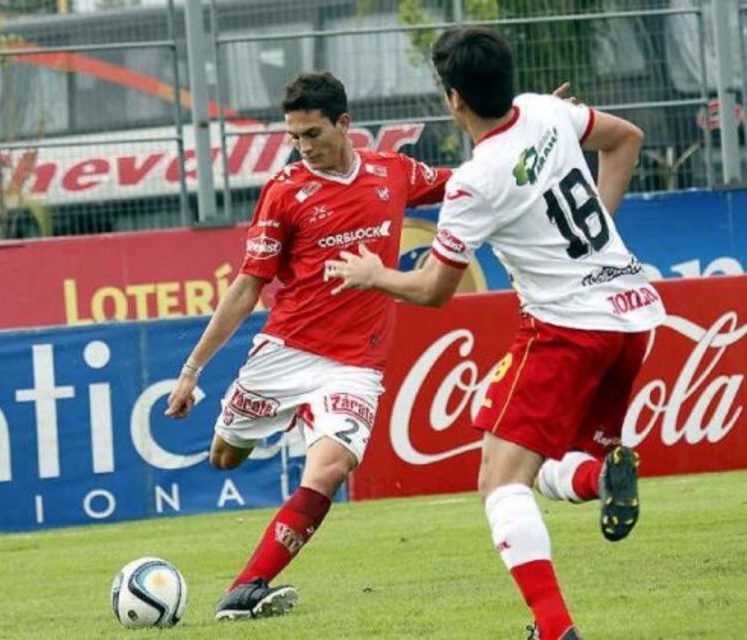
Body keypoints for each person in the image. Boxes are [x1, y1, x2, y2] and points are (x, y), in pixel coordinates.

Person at [324, 27, 664, 640]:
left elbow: (433, 290)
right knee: (549, 466)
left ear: (453, 99)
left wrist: (374, 274)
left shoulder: (474, 182)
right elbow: (626, 140)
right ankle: (598, 475)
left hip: (567, 328)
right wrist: (598, 243)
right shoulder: (544, 110)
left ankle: (555, 630)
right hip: (633, 315)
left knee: (499, 483)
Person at [165, 71, 451, 621]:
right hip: (285, 351)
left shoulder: (393, 173)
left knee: (328, 470)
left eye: (313, 135)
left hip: (354, 365)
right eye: (293, 137)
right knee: (224, 457)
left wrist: (533, 135)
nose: (303, 148)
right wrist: (191, 370)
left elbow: (471, 180)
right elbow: (248, 286)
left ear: (345, 125)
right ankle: (289, 419)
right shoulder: (285, 191)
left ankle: (244, 590)